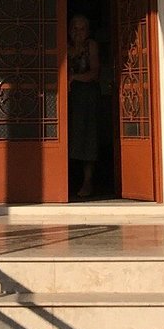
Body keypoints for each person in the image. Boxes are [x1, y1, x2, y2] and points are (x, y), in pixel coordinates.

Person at [67, 14, 100, 198]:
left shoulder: (91, 46)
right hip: (69, 98)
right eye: (74, 28)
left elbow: (94, 72)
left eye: (81, 28)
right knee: (69, 136)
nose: (77, 32)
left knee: (88, 138)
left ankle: (88, 182)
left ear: (87, 31)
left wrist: (73, 78)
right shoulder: (65, 47)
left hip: (87, 98)